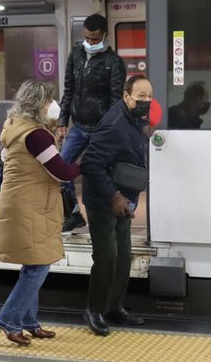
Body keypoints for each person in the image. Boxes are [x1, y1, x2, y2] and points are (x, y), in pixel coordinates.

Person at [0, 80, 80, 346]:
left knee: (34, 263)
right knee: (39, 265)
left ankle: (29, 322)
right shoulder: (36, 135)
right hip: (29, 206)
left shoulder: (15, 126)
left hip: (22, 203)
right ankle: (10, 319)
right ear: (38, 104)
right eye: (48, 101)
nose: (53, 105)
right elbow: (61, 172)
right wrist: (83, 165)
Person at [81, 75, 152, 336]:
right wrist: (114, 197)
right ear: (126, 96)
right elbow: (90, 164)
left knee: (123, 256)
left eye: (149, 97)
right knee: (107, 257)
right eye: (140, 96)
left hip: (124, 199)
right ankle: (95, 310)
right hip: (103, 200)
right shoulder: (114, 123)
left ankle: (114, 307)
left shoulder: (133, 119)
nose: (145, 101)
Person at [57, 13, 126, 232]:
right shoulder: (75, 55)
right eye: (88, 38)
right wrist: (62, 121)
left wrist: (109, 130)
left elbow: (116, 101)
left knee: (95, 172)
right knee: (60, 168)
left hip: (101, 128)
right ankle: (74, 213)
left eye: (95, 39)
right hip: (78, 125)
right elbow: (68, 91)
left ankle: (106, 216)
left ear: (105, 35)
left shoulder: (113, 62)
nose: (91, 42)